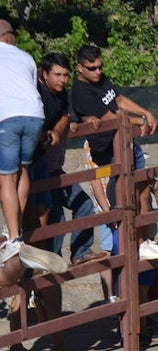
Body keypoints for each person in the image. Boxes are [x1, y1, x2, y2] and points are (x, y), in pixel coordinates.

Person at [70, 44, 158, 264]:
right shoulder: (80, 93)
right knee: (124, 200)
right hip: (108, 152)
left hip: (126, 143)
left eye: (100, 66)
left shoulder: (101, 80)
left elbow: (118, 100)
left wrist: (145, 112)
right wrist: (141, 121)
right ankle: (129, 246)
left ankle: (144, 242)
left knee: (143, 188)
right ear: (79, 68)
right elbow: (110, 117)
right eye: (92, 68)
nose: (98, 72)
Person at [27, 52, 100, 266]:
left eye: (66, 75)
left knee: (85, 205)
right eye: (58, 75)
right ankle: (51, 264)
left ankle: (80, 253)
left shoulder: (60, 94)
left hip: (54, 171)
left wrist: (62, 128)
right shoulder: (34, 93)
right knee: (55, 219)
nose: (63, 80)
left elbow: (64, 116)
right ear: (44, 73)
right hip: (36, 170)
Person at [0, 19, 46, 256]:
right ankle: (15, 229)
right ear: (11, 36)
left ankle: (14, 236)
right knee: (23, 171)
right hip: (35, 115)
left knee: (7, 178)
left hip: (7, 117)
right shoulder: (26, 57)